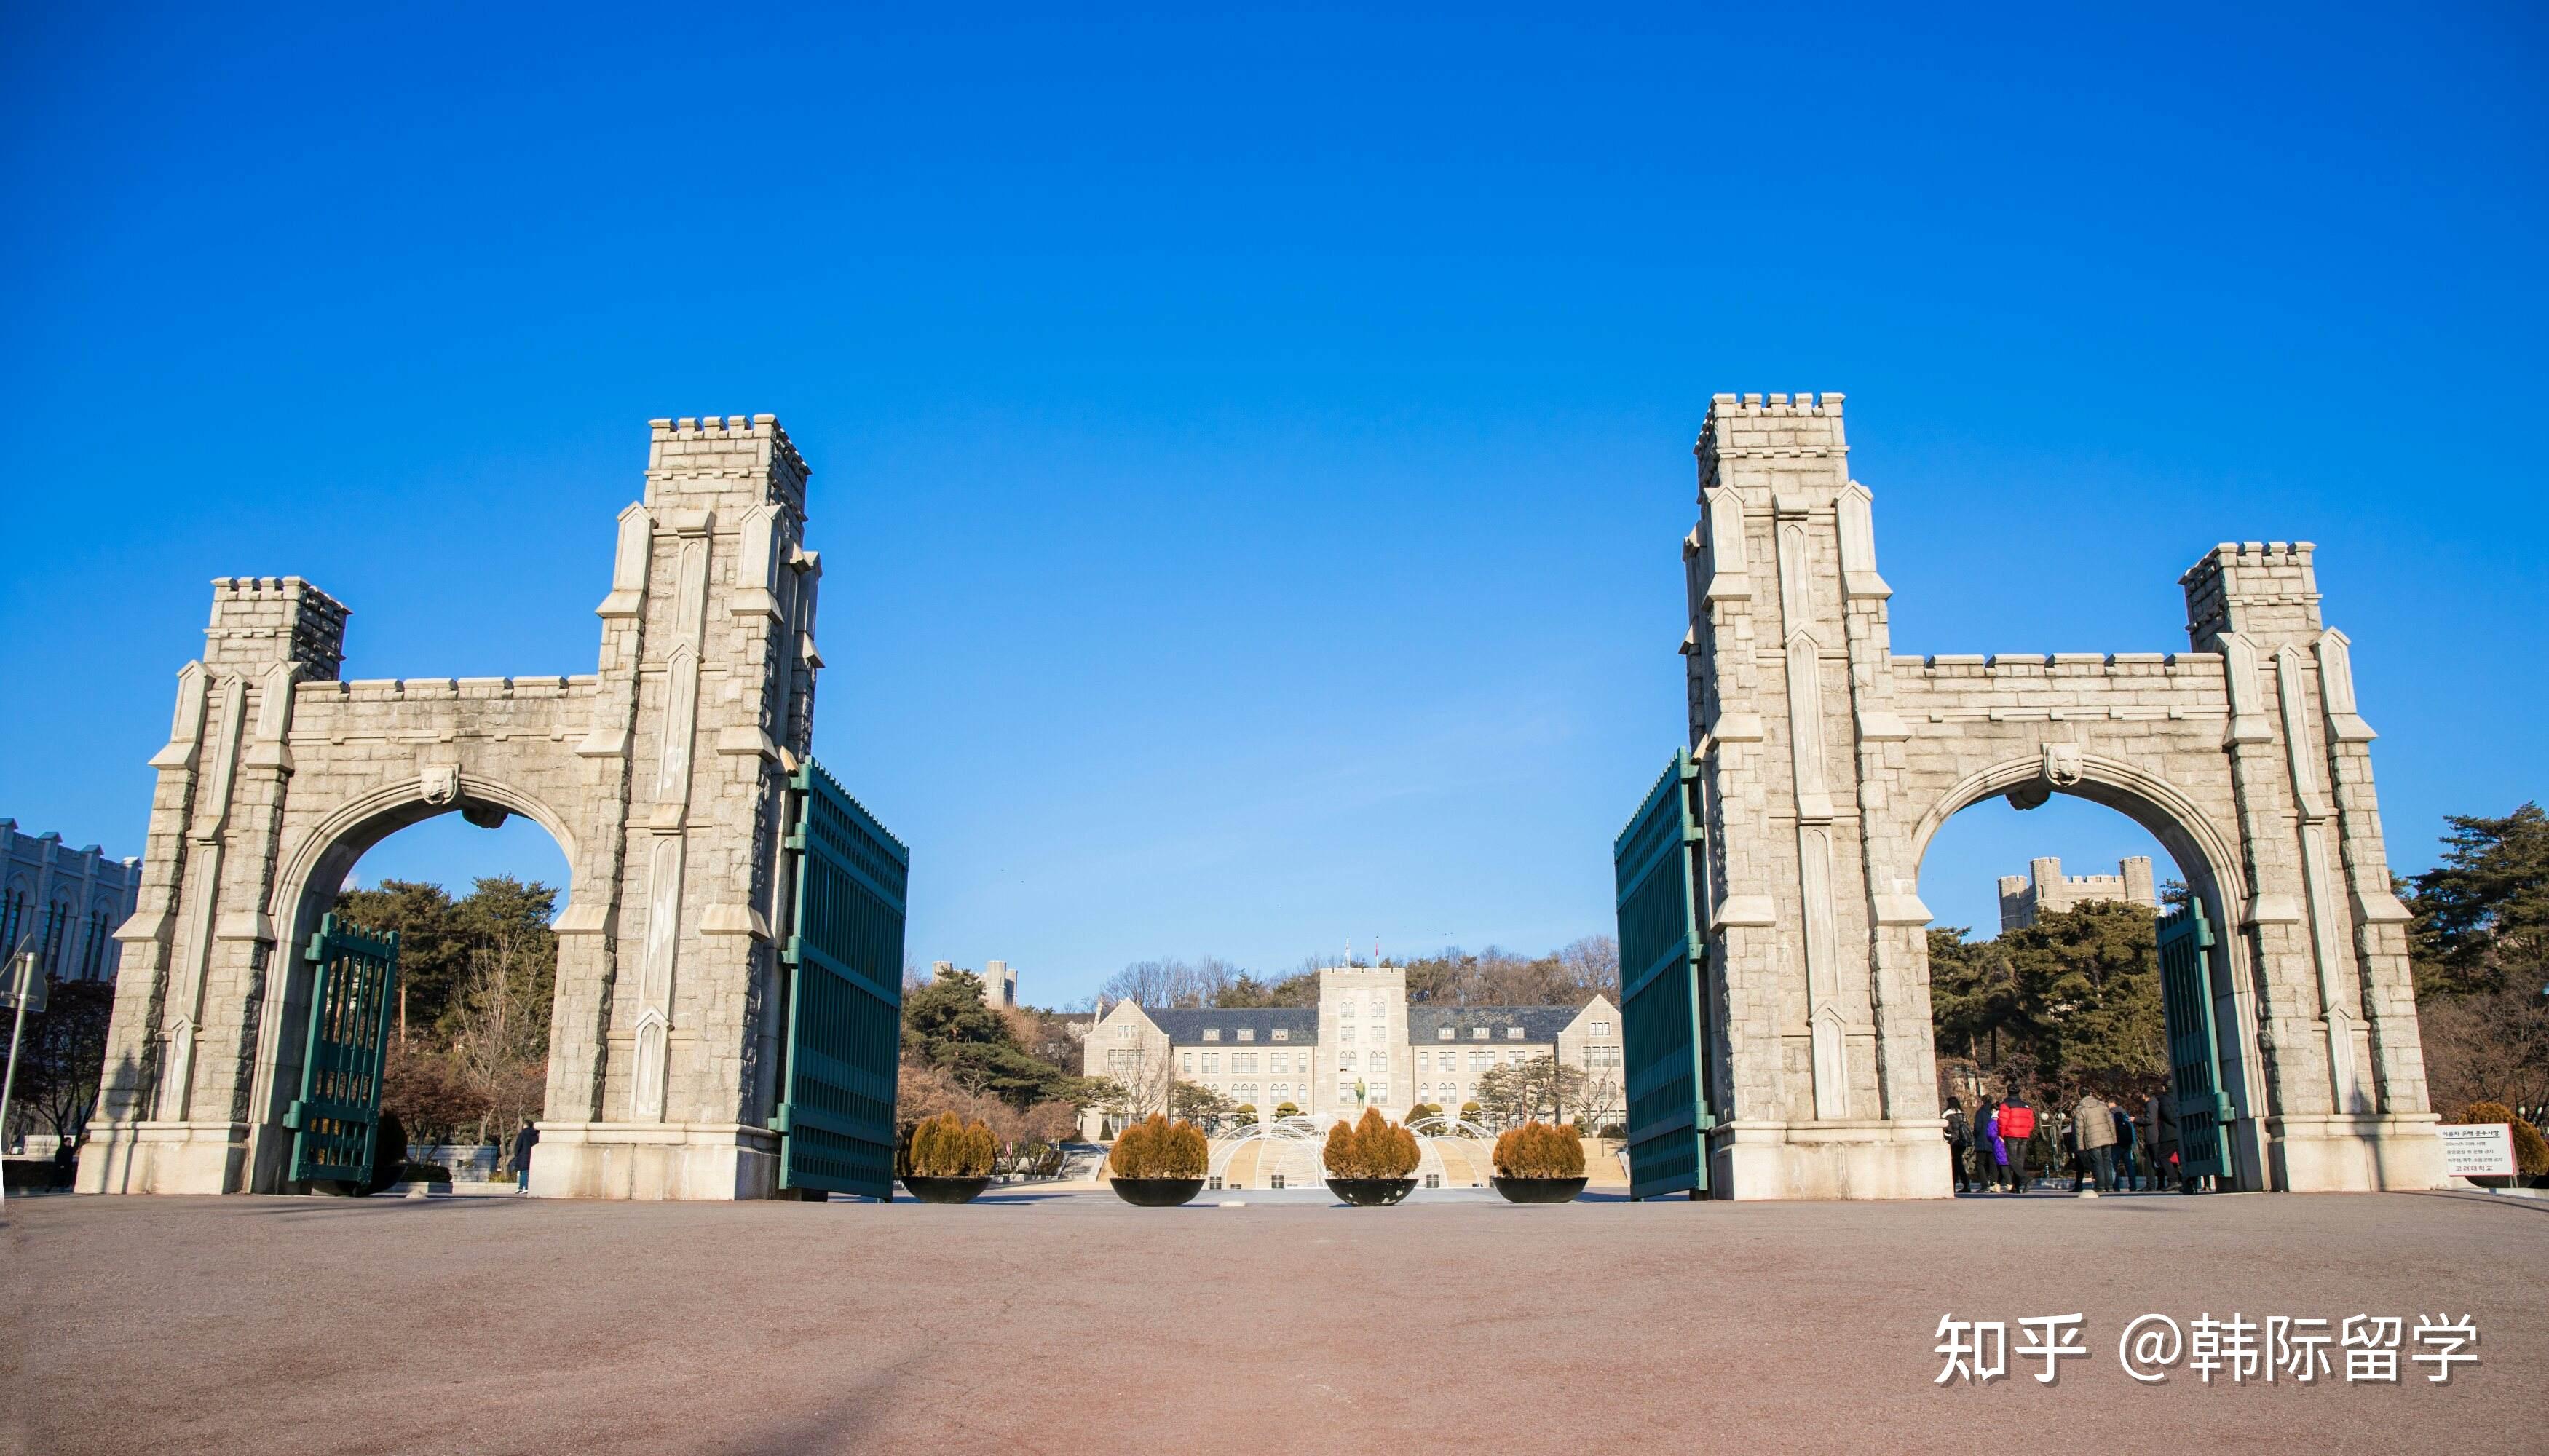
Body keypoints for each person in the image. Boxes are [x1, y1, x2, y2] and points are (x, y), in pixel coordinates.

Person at [2073, 1089, 2116, 1193]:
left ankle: (2100, 1186)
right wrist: (2113, 1137)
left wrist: (2080, 1146)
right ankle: (2109, 1186)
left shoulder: (2080, 1109)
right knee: (2107, 1161)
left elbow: (2079, 1129)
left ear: (2080, 1095)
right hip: (2106, 1137)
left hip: (2092, 1139)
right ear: (2091, 1094)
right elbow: (2111, 1122)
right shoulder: (2102, 1105)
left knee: (2097, 1163)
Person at [1997, 1095, 2036, 1194]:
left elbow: (2002, 1121)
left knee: (2011, 1160)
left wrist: (2002, 1134)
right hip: (2024, 1135)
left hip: (2011, 1135)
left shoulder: (2006, 1105)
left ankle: (2027, 1179)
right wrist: (2027, 1131)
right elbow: (2031, 1122)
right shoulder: (2027, 1106)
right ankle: (2016, 1187)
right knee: (2019, 1162)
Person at [1944, 1099, 1974, 1193]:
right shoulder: (1963, 1114)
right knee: (1958, 1162)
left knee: (1957, 1163)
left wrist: (1946, 1139)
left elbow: (1948, 1129)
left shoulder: (1947, 1115)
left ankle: (1958, 1184)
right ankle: (1965, 1185)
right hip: (1963, 1141)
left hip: (1954, 1142)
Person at [2110, 1099, 2140, 1190]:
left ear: (2113, 1103)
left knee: (2113, 1166)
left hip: (2116, 1144)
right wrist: (2133, 1142)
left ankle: (2115, 1186)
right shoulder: (2125, 1114)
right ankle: (2133, 1186)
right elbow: (2131, 1129)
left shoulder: (2111, 1114)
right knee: (2129, 1165)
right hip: (2127, 1144)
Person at [511, 1120, 540, 1195]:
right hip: (532, 1155)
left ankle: (525, 1187)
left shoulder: (522, 1134)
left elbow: (518, 1145)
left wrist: (516, 1154)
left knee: (523, 1172)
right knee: (523, 1172)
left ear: (525, 1125)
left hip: (523, 1155)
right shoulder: (535, 1134)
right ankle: (521, 1187)